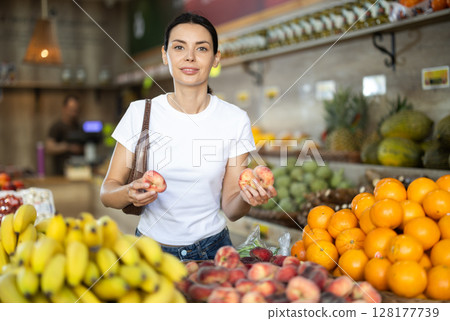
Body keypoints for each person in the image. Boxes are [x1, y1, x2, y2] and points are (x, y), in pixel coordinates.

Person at [100, 13, 276, 261]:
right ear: (165, 55)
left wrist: (247, 198)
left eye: (201, 48)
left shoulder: (235, 119)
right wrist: (130, 192)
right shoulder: (139, 113)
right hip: (149, 253)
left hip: (214, 252)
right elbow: (107, 192)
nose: (190, 56)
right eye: (179, 47)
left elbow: (231, 209)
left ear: (216, 59)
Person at [45, 95, 85, 175]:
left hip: (79, 171)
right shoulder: (57, 127)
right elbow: (49, 148)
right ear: (64, 108)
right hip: (60, 173)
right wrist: (68, 147)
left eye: (76, 110)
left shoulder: (80, 126)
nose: (73, 113)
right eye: (71, 110)